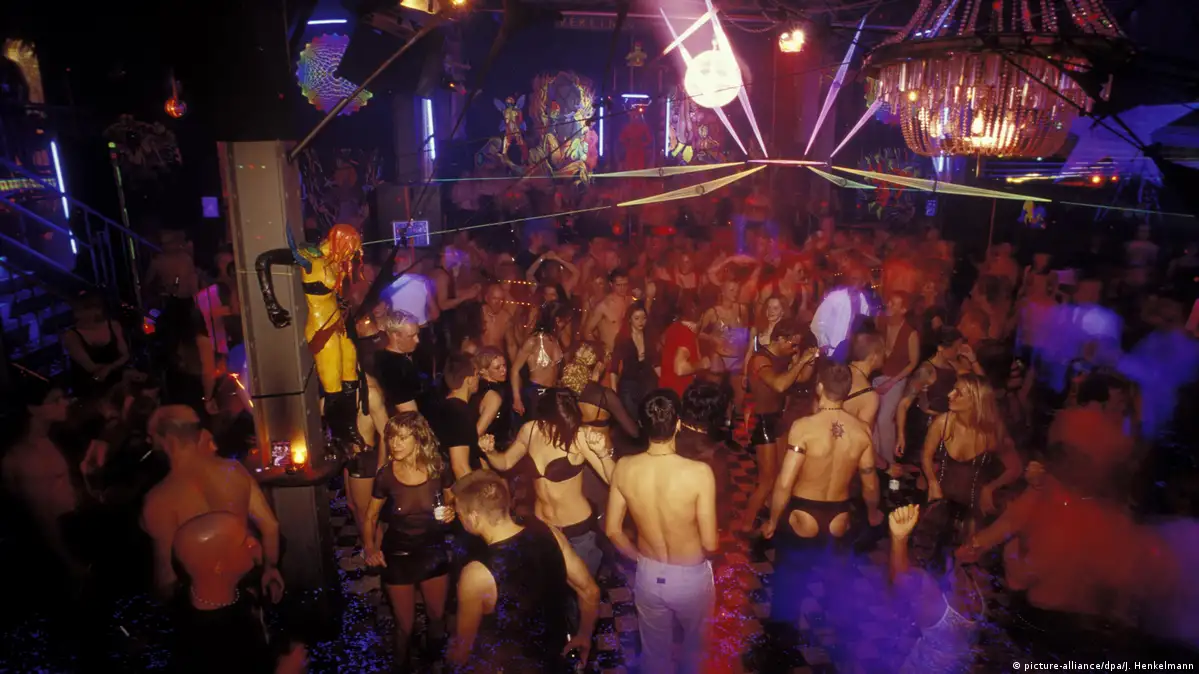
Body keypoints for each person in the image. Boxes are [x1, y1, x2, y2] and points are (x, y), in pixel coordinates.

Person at [761, 364, 881, 648]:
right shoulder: (862, 431)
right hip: (839, 516)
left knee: (789, 581)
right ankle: (834, 638)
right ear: (847, 391)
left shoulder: (804, 427)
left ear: (819, 387)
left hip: (803, 515)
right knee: (835, 579)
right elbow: (870, 483)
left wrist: (773, 520)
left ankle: (780, 643)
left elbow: (784, 483)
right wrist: (873, 512)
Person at [605, 390, 718, 674]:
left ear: (642, 425)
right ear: (678, 423)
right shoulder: (699, 473)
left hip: (649, 574)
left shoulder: (624, 467)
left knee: (654, 656)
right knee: (696, 650)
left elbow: (613, 531)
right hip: (690, 577)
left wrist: (640, 558)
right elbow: (711, 543)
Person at [447, 470, 599, 673]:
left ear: (474, 518)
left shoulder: (476, 573)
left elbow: (463, 651)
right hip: (556, 660)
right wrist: (584, 635)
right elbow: (590, 592)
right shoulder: (549, 532)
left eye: (459, 514)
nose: (459, 519)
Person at [140, 406, 283, 601]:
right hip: (245, 589)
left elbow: (167, 576)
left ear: (169, 440)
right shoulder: (233, 470)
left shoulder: (159, 498)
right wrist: (270, 568)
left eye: (151, 437)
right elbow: (271, 526)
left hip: (204, 601)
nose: (148, 443)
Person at [481, 390, 614, 581]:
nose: (560, 429)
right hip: (543, 527)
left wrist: (603, 454)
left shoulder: (578, 436)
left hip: (577, 532)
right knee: (551, 585)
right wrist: (490, 452)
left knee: (586, 590)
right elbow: (505, 462)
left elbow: (614, 480)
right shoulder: (530, 430)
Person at [362, 413, 456, 670]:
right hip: (399, 555)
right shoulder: (385, 476)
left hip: (432, 550)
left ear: (419, 438)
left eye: (402, 438)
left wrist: (452, 511)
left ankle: (434, 662)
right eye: (392, 438)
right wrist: (370, 547)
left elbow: (452, 498)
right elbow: (370, 516)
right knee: (404, 626)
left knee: (437, 617)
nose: (395, 444)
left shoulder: (439, 467)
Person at [172, 512, 307, 674]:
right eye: (244, 542)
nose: (254, 542)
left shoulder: (235, 593)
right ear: (219, 566)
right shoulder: (208, 642)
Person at [1, 380, 87, 583]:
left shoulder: (48, 439)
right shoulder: (26, 457)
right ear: (33, 409)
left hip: (71, 532)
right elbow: (43, 519)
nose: (65, 403)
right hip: (57, 550)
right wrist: (70, 563)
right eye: (55, 400)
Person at [740, 321, 817, 532]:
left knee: (781, 472)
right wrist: (801, 361)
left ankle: (769, 517)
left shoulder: (784, 357)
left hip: (777, 419)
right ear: (780, 339)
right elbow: (780, 384)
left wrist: (809, 360)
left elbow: (801, 378)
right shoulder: (761, 359)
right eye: (792, 344)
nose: (794, 349)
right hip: (761, 420)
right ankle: (746, 526)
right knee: (767, 480)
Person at [889, 505, 984, 674]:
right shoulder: (930, 586)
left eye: (976, 536)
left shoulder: (970, 572)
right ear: (948, 544)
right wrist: (899, 539)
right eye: (969, 540)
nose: (976, 544)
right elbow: (901, 581)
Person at [63, 292, 130, 398]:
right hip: (90, 387)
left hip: (118, 381)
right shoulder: (71, 335)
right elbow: (90, 367)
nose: (79, 314)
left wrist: (110, 368)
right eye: (78, 310)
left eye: (90, 309)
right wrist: (110, 368)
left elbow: (125, 355)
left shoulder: (113, 325)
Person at [432, 355, 487, 479]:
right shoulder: (458, 413)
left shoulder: (444, 406)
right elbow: (460, 466)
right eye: (477, 374)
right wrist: (475, 490)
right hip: (462, 486)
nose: (479, 378)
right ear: (469, 380)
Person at [510, 301, 566, 418]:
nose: (564, 325)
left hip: (552, 394)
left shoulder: (555, 340)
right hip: (535, 394)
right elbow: (515, 370)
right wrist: (516, 399)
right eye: (563, 321)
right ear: (556, 320)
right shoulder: (533, 341)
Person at [611, 302, 660, 418]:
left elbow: (656, 362)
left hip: (647, 380)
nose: (641, 322)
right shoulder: (622, 338)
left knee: (648, 414)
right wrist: (613, 393)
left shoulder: (649, 336)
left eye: (644, 318)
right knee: (631, 416)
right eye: (637, 318)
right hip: (629, 381)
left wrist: (664, 382)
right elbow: (614, 366)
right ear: (629, 320)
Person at [660, 299, 709, 397]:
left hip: (667, 392)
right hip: (679, 394)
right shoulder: (687, 335)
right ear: (702, 316)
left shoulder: (675, 326)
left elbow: (662, 341)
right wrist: (702, 364)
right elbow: (680, 369)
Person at [584, 267, 632, 354]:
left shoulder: (630, 302)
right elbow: (587, 331)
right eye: (618, 285)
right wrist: (599, 350)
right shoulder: (603, 306)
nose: (622, 288)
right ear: (611, 284)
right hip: (610, 354)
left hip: (627, 353)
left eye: (625, 285)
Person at [844, 332, 886, 429]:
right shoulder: (869, 396)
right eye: (883, 352)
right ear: (874, 356)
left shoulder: (835, 373)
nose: (885, 355)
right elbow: (862, 435)